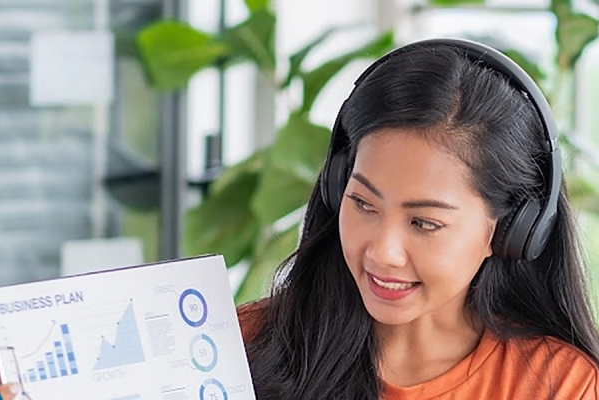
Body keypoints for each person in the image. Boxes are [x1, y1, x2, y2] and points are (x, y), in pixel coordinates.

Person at [237, 38, 599, 399]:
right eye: (363, 203)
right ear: (337, 187)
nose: (382, 253)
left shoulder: (561, 385)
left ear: (509, 228)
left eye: (424, 223)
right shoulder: (236, 345)